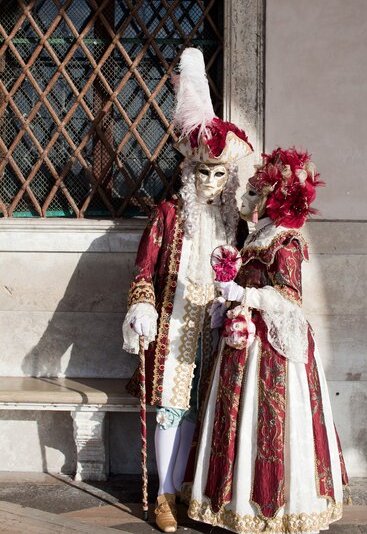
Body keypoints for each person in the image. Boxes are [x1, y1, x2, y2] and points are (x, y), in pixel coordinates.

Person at [122, 48, 253, 533]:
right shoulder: (169, 215)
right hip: (177, 325)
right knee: (171, 409)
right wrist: (141, 309)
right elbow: (143, 270)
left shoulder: (233, 223)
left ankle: (191, 489)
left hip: (218, 327)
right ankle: (164, 495)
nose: (212, 183)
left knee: (203, 406)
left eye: (220, 174)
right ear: (189, 171)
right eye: (204, 173)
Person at [188, 147, 349, 534]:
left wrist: (244, 296)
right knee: (239, 416)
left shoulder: (286, 242)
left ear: (270, 199)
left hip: (270, 348)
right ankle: (236, 500)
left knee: (270, 419)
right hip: (245, 339)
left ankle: (275, 508)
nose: (243, 199)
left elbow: (290, 299)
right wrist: (229, 297)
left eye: (252, 194)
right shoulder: (261, 235)